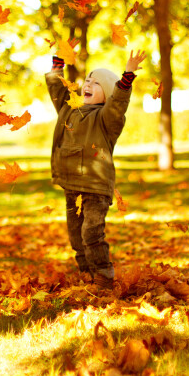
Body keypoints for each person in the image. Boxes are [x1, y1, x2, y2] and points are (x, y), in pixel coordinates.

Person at [45, 50, 147, 290]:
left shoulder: (107, 118)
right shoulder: (69, 109)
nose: (88, 84)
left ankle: (103, 276)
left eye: (96, 83)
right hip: (72, 186)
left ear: (107, 94)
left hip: (95, 187)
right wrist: (58, 62)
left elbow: (119, 103)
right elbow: (57, 91)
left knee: (91, 233)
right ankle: (86, 273)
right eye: (87, 81)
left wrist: (128, 75)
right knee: (76, 236)